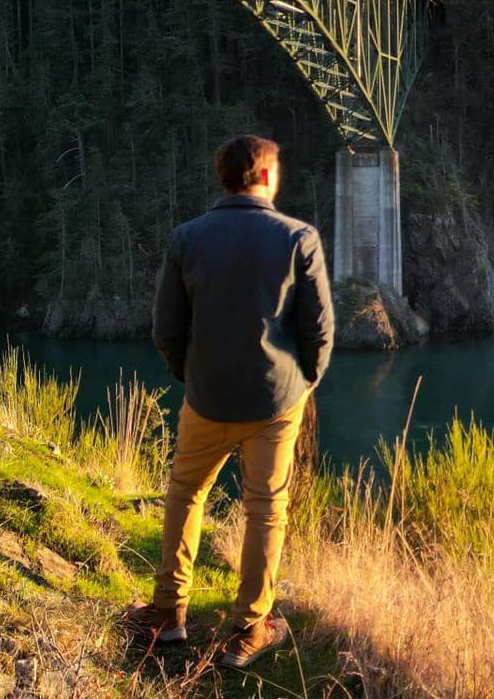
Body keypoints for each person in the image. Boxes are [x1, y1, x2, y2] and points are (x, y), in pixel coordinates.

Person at [123, 135, 335, 669]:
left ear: (225, 178)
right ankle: (248, 630)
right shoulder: (298, 238)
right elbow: (319, 331)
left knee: (186, 495)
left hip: (207, 398)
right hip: (275, 401)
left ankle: (168, 616)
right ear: (265, 177)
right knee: (265, 509)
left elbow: (166, 328)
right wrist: (305, 381)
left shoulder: (187, 238)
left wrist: (191, 377)